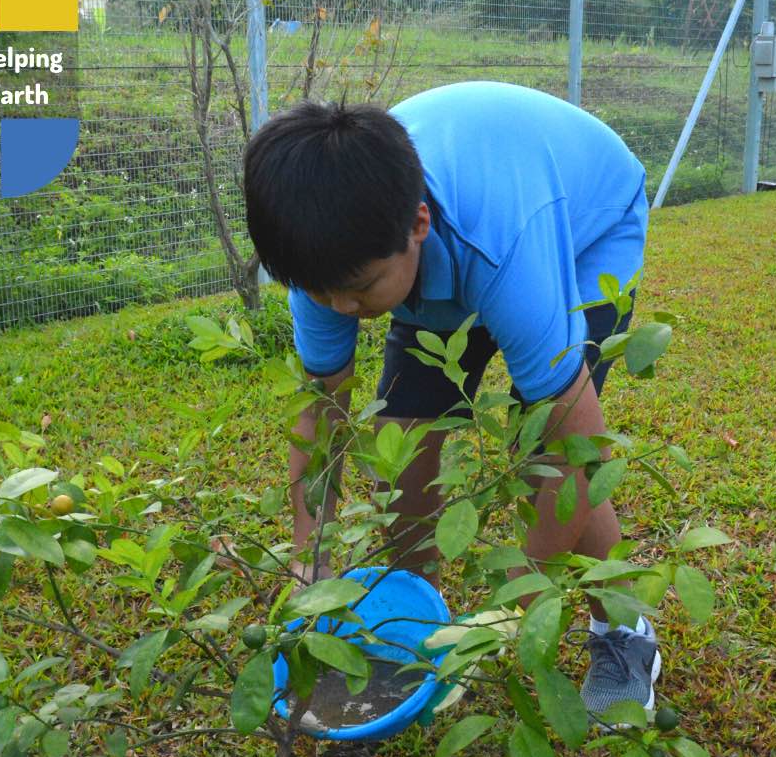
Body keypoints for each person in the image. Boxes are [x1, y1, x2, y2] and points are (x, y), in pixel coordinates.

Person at [240, 80, 661, 712]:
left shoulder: (502, 250)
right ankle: (417, 619)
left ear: (417, 225)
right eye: (322, 293)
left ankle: (626, 634)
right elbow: (322, 410)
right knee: (404, 445)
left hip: (582, 225)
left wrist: (508, 610)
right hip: (447, 238)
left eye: (357, 290)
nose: (342, 310)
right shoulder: (328, 256)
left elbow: (579, 450)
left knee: (542, 456)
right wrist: (311, 554)